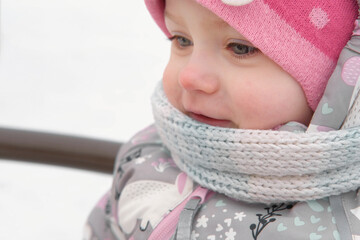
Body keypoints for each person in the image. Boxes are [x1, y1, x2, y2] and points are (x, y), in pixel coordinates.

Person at [84, 0, 360, 239]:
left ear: (335, 79)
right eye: (182, 40)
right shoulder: (147, 156)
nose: (189, 77)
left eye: (239, 48)